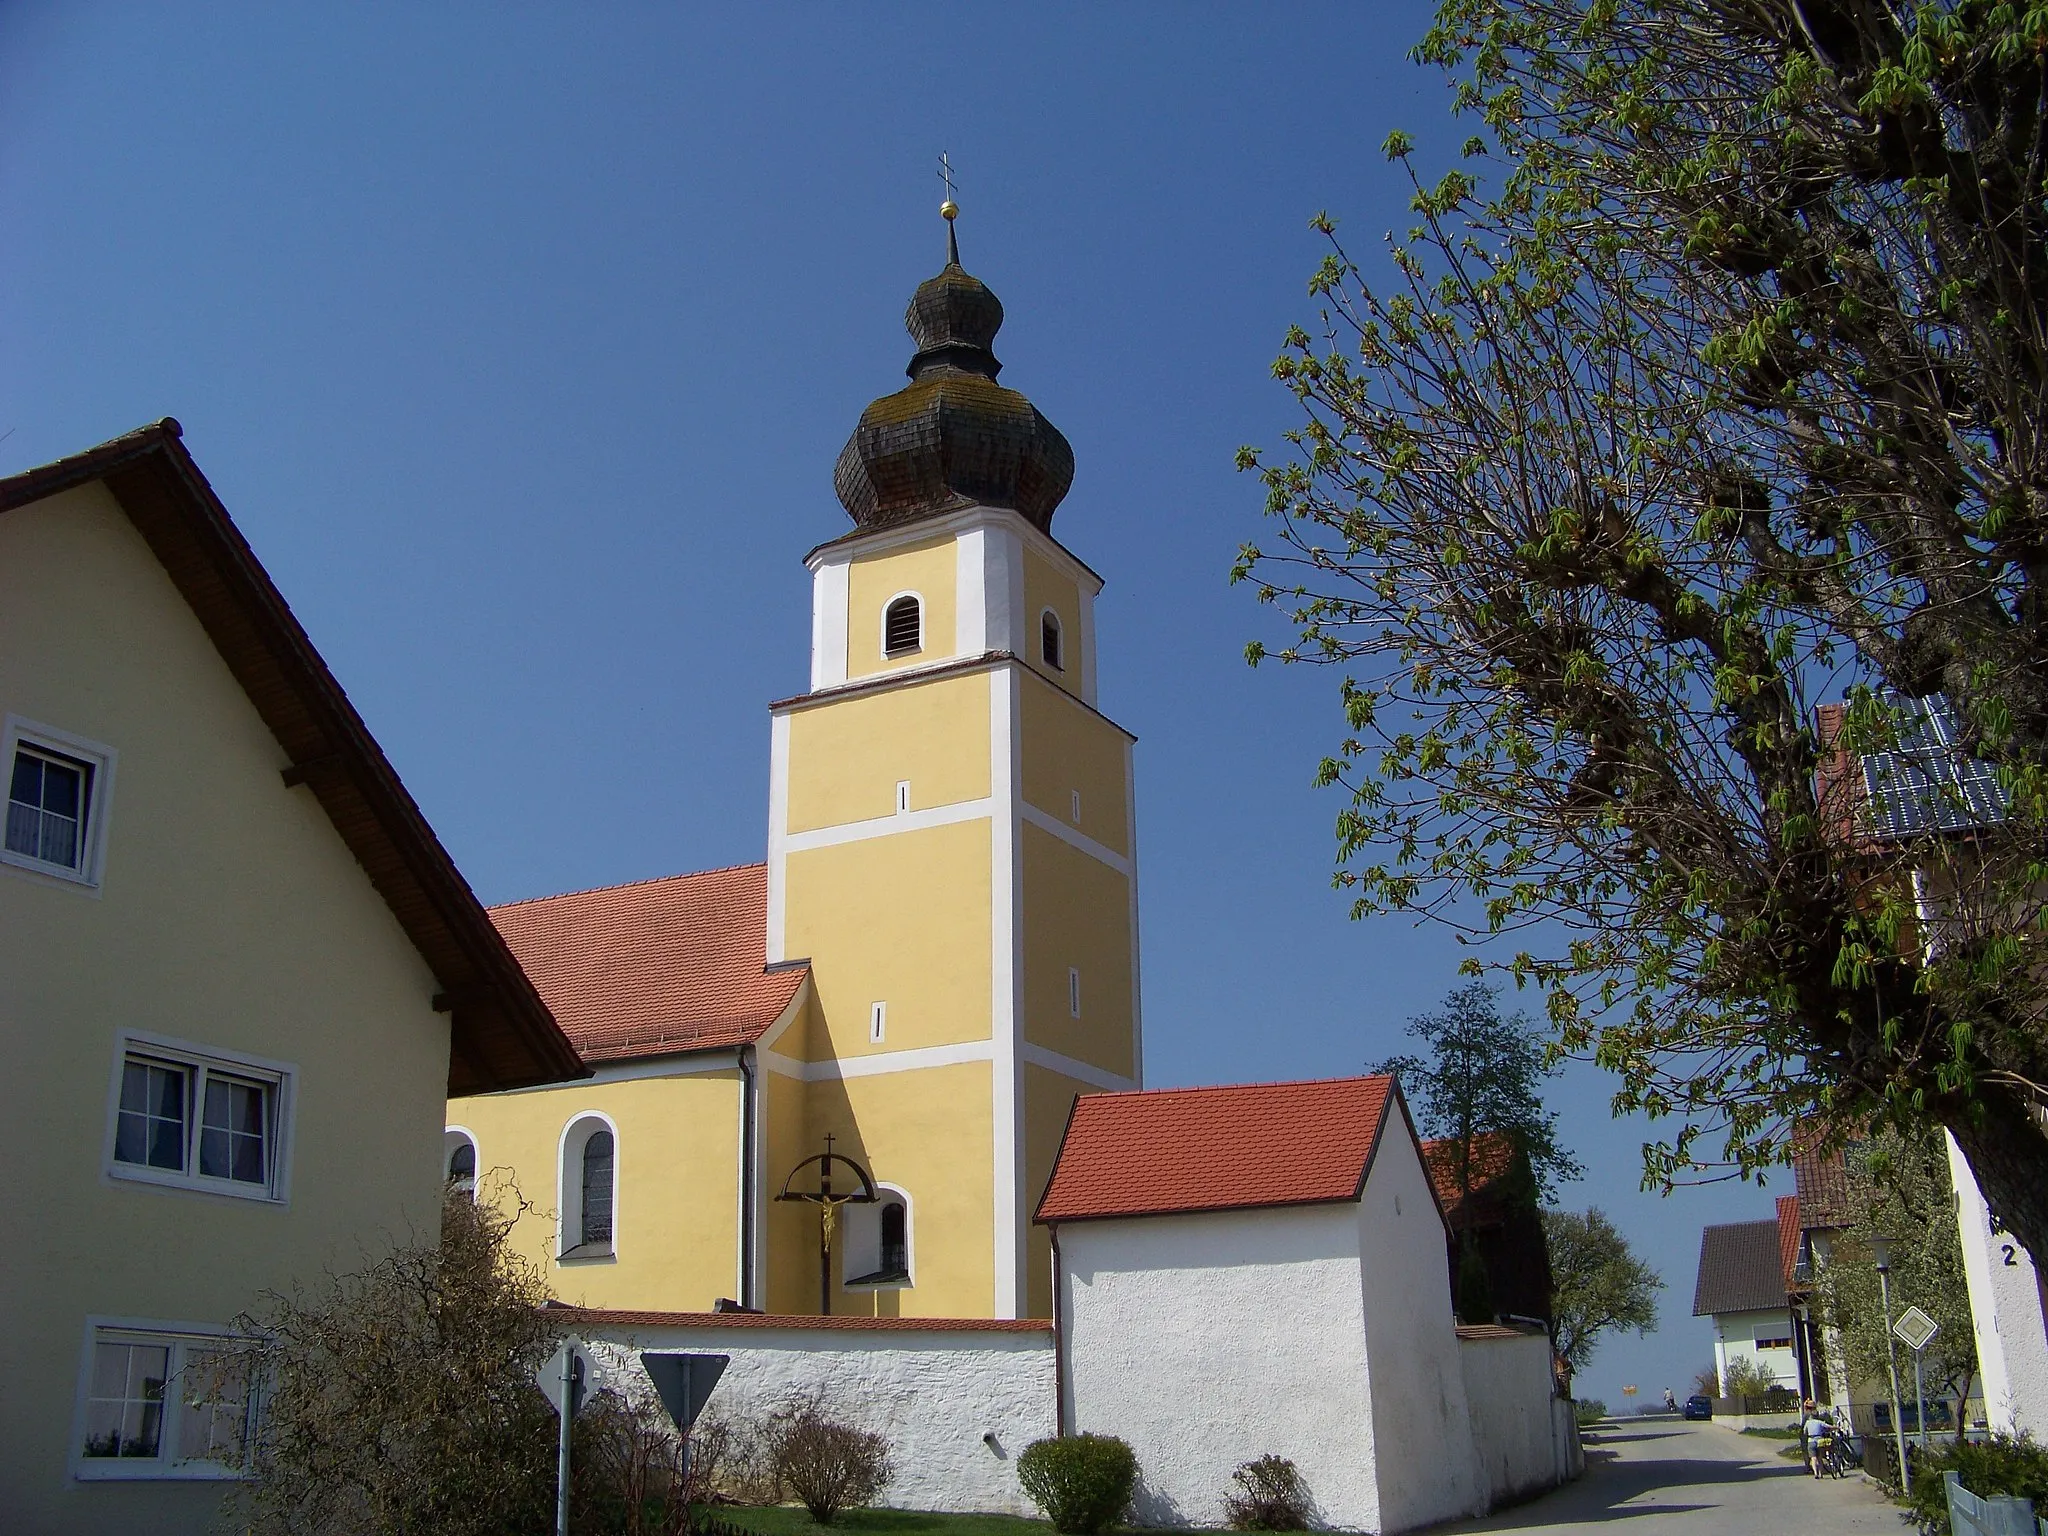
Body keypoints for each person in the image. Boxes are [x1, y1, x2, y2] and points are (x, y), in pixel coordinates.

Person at [1802, 1400, 1837, 1477]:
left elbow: (1804, 1432)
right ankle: (1821, 1473)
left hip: (1810, 1440)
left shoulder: (1807, 1421)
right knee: (1819, 1458)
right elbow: (1828, 1427)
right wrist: (1836, 1427)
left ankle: (1815, 1473)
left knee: (1813, 1458)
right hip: (1819, 1440)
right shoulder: (1819, 1422)